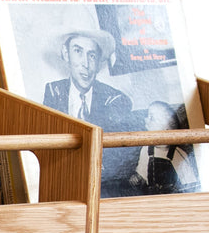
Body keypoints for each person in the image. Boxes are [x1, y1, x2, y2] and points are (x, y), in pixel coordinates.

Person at [42, 29, 138, 193]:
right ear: (66, 54)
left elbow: (117, 162)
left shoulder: (115, 100)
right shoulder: (53, 92)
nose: (85, 64)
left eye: (92, 55)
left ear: (99, 62)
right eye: (78, 51)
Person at [128, 100, 201, 194]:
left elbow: (190, 184)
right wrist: (138, 179)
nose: (146, 119)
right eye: (147, 116)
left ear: (166, 129)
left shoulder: (177, 155)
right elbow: (142, 174)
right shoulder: (146, 149)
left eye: (152, 118)